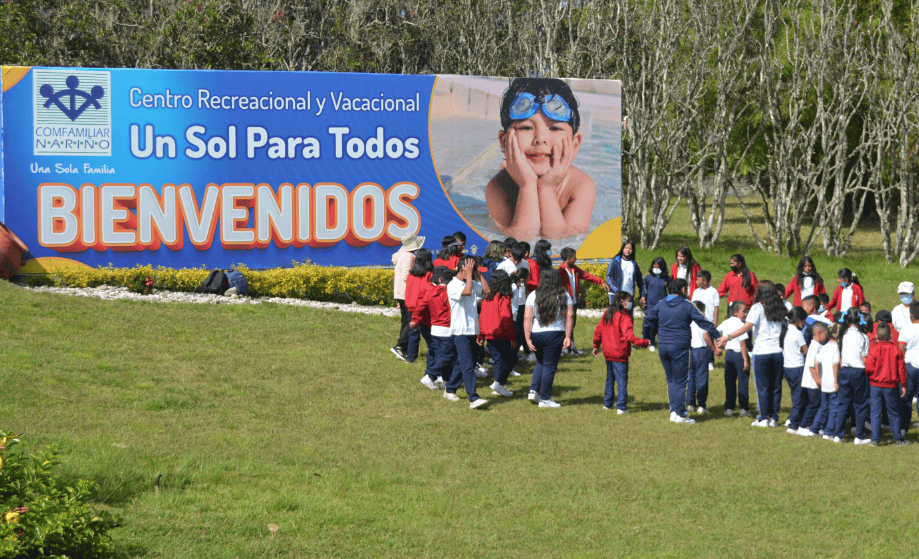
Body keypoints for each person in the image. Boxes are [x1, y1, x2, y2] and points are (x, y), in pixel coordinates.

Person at [485, 78, 596, 240]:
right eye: (526, 127)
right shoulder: (498, 188)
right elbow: (519, 241)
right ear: (504, 141)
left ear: (575, 144)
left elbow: (563, 242)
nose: (540, 139)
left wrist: (547, 189)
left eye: (555, 128)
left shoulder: (581, 187)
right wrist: (527, 186)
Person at [644, 278, 722, 424]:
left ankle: (673, 411)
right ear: (681, 290)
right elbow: (703, 321)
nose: (687, 291)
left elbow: (649, 318)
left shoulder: (661, 303)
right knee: (680, 382)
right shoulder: (687, 305)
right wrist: (717, 335)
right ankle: (680, 414)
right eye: (686, 289)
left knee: (671, 380)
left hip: (663, 346)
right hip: (679, 347)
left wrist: (648, 337)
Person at [717, 280, 786, 428]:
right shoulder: (781, 306)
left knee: (763, 387)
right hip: (777, 353)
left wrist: (727, 337)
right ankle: (773, 418)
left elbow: (747, 326)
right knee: (775, 387)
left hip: (761, 353)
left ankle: (762, 418)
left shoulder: (757, 308)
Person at [445, 257, 491, 409]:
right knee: (467, 365)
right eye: (468, 269)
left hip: (473, 330)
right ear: (461, 270)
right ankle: (473, 397)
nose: (471, 272)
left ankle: (450, 388)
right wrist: (470, 275)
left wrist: (477, 274)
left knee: (466, 362)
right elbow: (467, 292)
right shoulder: (453, 285)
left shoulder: (471, 280)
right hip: (460, 331)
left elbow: (487, 291)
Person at [593, 291, 649, 414]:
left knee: (610, 379)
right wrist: (644, 342)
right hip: (620, 354)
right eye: (629, 300)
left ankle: (608, 403)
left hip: (608, 353)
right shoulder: (624, 317)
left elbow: (598, 330)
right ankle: (621, 407)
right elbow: (630, 337)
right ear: (622, 301)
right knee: (622, 381)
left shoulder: (607, 314)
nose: (630, 303)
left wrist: (596, 345)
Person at [524, 269, 574, 408]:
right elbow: (569, 315)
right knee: (550, 365)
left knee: (540, 362)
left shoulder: (533, 294)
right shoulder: (563, 294)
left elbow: (527, 317)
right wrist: (568, 336)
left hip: (536, 332)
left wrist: (527, 338)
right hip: (555, 333)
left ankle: (533, 390)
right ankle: (545, 398)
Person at [865, 322, 909, 446]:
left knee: (875, 412)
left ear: (877, 336)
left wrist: (873, 376)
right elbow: (901, 369)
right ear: (890, 335)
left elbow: (868, 367)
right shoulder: (896, 350)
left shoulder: (874, 349)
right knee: (893, 413)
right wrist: (904, 385)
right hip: (891, 386)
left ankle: (875, 439)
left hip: (875, 385)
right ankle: (898, 439)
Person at [560, 247, 608, 355]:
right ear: (568, 258)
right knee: (565, 326)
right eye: (574, 256)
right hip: (565, 304)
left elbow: (587, 275)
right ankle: (566, 348)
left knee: (572, 325)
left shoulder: (574, 269)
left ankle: (570, 348)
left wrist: (600, 281)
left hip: (574, 303)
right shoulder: (561, 271)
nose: (576, 258)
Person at [833, 308, 871, 444]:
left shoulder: (842, 335)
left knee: (843, 403)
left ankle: (838, 435)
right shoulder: (864, 337)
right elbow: (864, 359)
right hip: (858, 371)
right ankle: (859, 436)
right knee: (860, 405)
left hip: (845, 371)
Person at [478, 270, 517, 397]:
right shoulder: (504, 298)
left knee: (498, 359)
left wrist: (480, 334)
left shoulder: (487, 298)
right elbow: (506, 319)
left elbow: (482, 317)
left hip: (489, 333)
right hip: (501, 333)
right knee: (508, 359)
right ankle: (499, 383)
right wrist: (512, 337)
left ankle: (498, 384)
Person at [414, 267, 453, 391]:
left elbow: (421, 305)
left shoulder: (431, 291)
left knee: (438, 353)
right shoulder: (450, 293)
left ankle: (445, 381)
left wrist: (415, 318)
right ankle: (431, 376)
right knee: (447, 355)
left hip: (434, 327)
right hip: (446, 327)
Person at [391, 232, 425, 361]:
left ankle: (402, 347)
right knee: (408, 321)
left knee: (405, 320)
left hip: (401, 293)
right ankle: (400, 346)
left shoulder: (401, 256)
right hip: (407, 293)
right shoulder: (409, 257)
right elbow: (407, 276)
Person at [718, 301, 751, 417]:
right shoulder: (742, 325)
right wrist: (746, 359)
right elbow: (742, 343)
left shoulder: (725, 322)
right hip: (739, 355)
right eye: (744, 311)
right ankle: (743, 408)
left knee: (730, 382)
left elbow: (716, 331)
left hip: (729, 355)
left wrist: (718, 345)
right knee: (743, 382)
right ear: (736, 312)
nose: (746, 314)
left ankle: (729, 408)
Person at [809, 323, 841, 439]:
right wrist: (836, 381)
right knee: (834, 409)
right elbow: (835, 365)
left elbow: (816, 362)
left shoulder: (825, 347)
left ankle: (814, 429)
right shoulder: (836, 348)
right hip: (832, 383)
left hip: (824, 383)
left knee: (823, 408)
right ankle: (828, 432)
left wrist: (819, 377)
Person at [686, 301, 719, 415]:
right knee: (702, 379)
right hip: (701, 351)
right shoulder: (702, 320)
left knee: (691, 378)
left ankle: (690, 404)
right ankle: (701, 405)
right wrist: (714, 349)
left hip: (690, 351)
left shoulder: (688, 321)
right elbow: (706, 336)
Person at [797, 321, 828, 436]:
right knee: (814, 404)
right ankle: (804, 426)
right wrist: (818, 380)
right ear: (819, 332)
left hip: (811, 382)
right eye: (825, 333)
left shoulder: (815, 346)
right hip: (812, 383)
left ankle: (813, 425)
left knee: (813, 404)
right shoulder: (815, 346)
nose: (827, 336)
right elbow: (811, 365)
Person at [404, 248, 434, 363]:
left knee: (413, 333)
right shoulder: (429, 274)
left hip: (411, 306)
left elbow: (409, 290)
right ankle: (434, 352)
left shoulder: (411, 274)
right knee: (428, 333)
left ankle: (410, 357)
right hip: (423, 307)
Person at [782, 307, 809, 433]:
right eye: (803, 321)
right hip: (797, 367)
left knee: (795, 395)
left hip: (787, 368)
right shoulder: (798, 333)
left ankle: (796, 419)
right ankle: (793, 424)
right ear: (799, 320)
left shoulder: (786, 330)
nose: (804, 324)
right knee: (800, 397)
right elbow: (805, 350)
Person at [897, 301, 919, 437]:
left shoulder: (906, 329)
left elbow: (901, 351)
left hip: (909, 367)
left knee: (906, 398)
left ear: (911, 316)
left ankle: (903, 428)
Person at [642, 257, 670, 352]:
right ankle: (650, 341)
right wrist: (643, 297)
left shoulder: (666, 279)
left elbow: (670, 292)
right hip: (650, 305)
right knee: (651, 324)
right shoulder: (648, 278)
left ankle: (661, 342)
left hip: (663, 306)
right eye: (654, 266)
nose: (656, 268)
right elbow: (644, 290)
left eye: (658, 267)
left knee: (661, 324)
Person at [606, 239, 644, 308]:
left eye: (630, 249)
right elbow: (609, 276)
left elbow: (640, 280)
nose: (627, 250)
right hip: (615, 295)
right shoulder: (615, 261)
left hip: (628, 296)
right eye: (626, 248)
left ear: (633, 250)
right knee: (616, 316)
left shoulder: (634, 264)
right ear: (622, 249)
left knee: (627, 316)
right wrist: (617, 290)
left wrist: (643, 294)